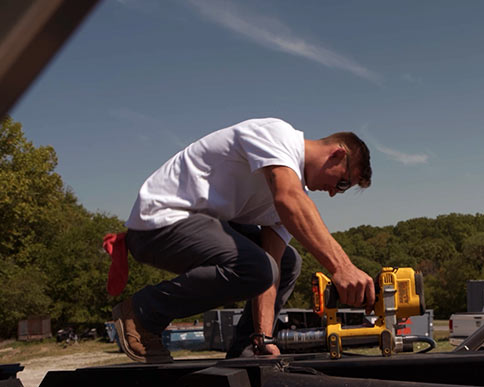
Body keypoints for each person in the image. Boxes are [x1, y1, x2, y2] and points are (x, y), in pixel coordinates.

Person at [112, 117, 374, 363]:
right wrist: (342, 267)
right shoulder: (279, 135)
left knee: (285, 263)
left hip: (197, 226)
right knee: (258, 267)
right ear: (337, 154)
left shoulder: (291, 191)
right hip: (158, 222)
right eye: (341, 183)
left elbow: (271, 272)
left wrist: (263, 335)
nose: (332, 193)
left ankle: (248, 347)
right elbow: (289, 199)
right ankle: (143, 313)